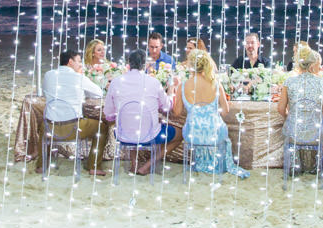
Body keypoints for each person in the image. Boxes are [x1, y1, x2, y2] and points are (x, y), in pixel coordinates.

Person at [171, 50, 248, 178]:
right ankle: (216, 164)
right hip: (214, 132)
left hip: (193, 133)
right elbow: (225, 111)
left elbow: (177, 112)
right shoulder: (215, 83)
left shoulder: (183, 86)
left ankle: (199, 164)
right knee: (220, 128)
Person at [104, 49, 175, 175]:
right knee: (175, 132)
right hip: (150, 136)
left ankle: (134, 163)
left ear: (128, 64)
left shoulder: (115, 82)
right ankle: (147, 165)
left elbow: (108, 115)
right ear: (145, 65)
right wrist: (170, 92)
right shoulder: (154, 82)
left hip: (123, 135)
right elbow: (167, 108)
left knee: (131, 122)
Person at [40, 49, 109, 176]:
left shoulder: (48, 75)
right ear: (70, 62)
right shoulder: (78, 78)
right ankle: (93, 166)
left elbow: (44, 92)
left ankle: (41, 164)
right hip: (74, 128)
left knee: (42, 124)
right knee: (102, 127)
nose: (80, 65)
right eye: (78, 62)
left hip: (51, 128)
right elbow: (99, 93)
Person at [276, 44, 323, 174]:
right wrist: (318, 119)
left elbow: (280, 108)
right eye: (319, 64)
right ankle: (315, 167)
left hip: (294, 131)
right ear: (313, 65)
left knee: (290, 128)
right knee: (322, 129)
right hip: (316, 132)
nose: (320, 68)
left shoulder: (289, 82)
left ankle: (294, 166)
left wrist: (290, 117)